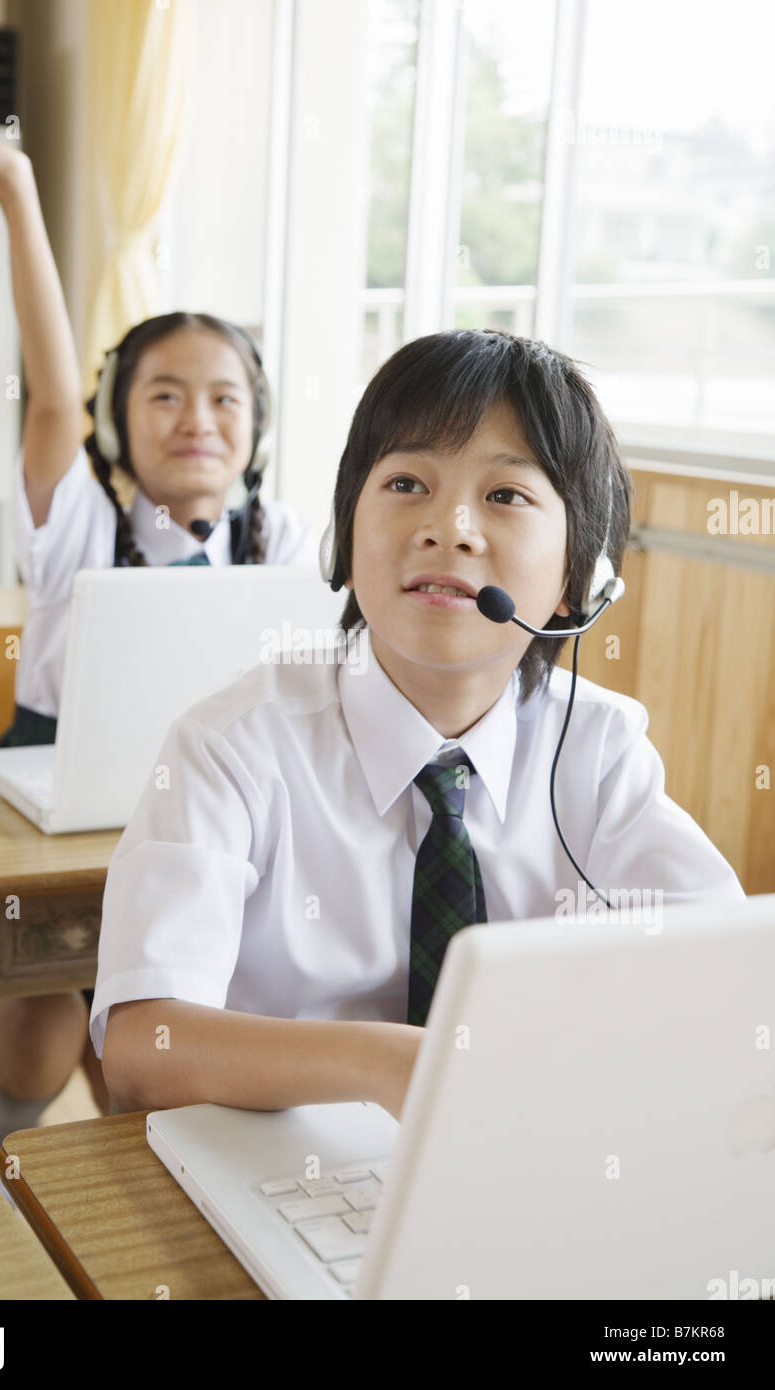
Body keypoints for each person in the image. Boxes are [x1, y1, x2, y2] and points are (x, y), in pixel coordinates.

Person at [91, 327, 745, 1122]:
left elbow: (729, 975)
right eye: (406, 484)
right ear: (345, 539)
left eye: (505, 496)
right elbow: (139, 1048)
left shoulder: (598, 752)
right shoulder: (231, 748)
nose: (451, 527)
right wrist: (384, 1063)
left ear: (582, 578)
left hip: (510, 1154)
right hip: (270, 1169)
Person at [0, 62, 319, 1162]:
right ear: (117, 422)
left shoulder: (276, 540)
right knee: (34, 1057)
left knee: (179, 1045)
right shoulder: (82, 522)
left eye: (224, 396)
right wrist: (13, 187)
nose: (197, 418)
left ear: (255, 425)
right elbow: (47, 389)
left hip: (204, 813)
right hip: (48, 802)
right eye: (164, 394)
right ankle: (5, 1141)